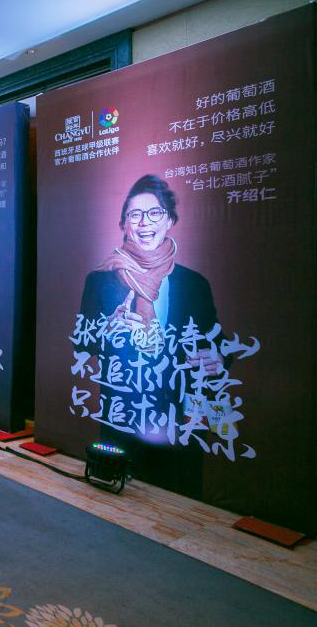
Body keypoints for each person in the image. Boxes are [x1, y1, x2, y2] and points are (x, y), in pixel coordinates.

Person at [77, 174, 223, 496]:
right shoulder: (100, 281)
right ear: (123, 224)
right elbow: (82, 347)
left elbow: (216, 347)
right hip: (121, 420)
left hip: (179, 425)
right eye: (135, 214)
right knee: (112, 504)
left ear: (170, 220)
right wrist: (108, 330)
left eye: (155, 213)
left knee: (178, 504)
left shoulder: (194, 285)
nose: (144, 222)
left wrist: (216, 359)